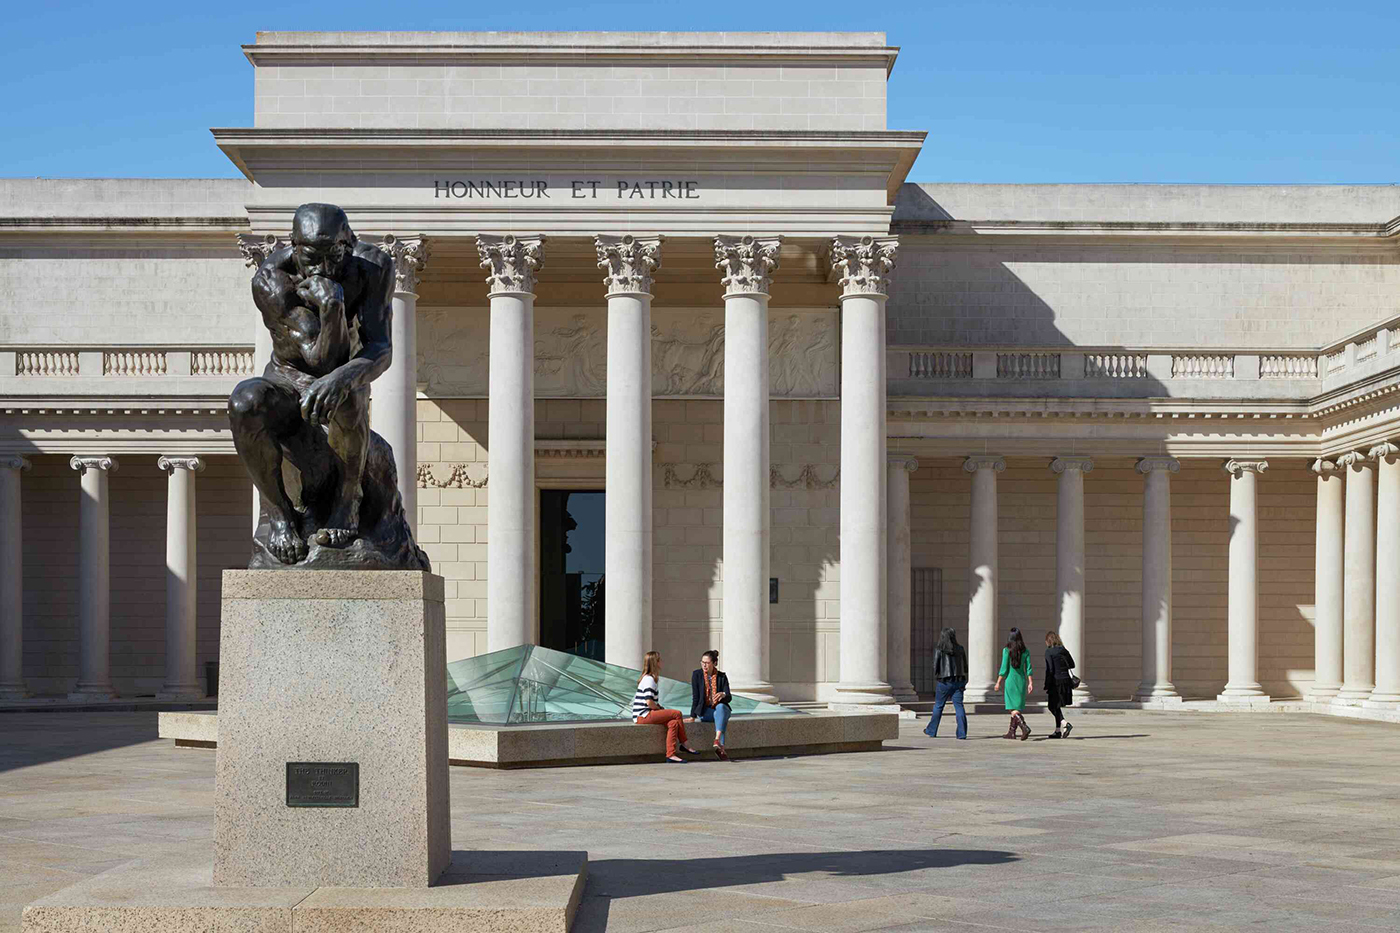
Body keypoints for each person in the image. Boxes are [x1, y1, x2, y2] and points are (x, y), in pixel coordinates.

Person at [631, 651, 699, 763]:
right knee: (677, 713)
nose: (662, 662)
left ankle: (670, 755)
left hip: (644, 714)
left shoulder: (648, 678)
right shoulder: (649, 680)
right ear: (655, 663)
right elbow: (649, 702)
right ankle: (685, 744)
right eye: (660, 660)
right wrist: (659, 709)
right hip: (643, 715)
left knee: (673, 723)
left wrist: (659, 708)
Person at [923, 627, 968, 739]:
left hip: (944, 682)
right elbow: (965, 666)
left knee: (938, 706)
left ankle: (931, 730)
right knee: (959, 707)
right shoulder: (960, 648)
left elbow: (935, 666)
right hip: (958, 681)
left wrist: (937, 676)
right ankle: (962, 733)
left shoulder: (940, 649)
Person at [688, 649, 732, 760]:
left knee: (721, 708)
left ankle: (717, 739)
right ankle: (720, 746)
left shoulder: (722, 676)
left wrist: (723, 694)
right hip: (706, 711)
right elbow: (696, 697)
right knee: (721, 717)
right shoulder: (697, 675)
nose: (704, 665)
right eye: (702, 662)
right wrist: (692, 716)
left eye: (707, 663)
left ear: (714, 663)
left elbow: (729, 697)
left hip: (719, 709)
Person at [993, 627, 1034, 740]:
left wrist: (998, 682)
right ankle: (1011, 733)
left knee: (1012, 708)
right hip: (1021, 680)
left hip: (1010, 681)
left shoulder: (1007, 650)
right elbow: (1029, 668)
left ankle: (1024, 727)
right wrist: (1030, 683)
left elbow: (1004, 669)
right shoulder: (1026, 651)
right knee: (1016, 706)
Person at [1044, 631, 1077, 738]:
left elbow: (1050, 670)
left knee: (1051, 706)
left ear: (1048, 641)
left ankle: (1065, 724)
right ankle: (1058, 731)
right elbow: (1072, 664)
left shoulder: (1049, 652)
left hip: (1055, 682)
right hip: (1066, 681)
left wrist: (1047, 684)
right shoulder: (1063, 650)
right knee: (1056, 706)